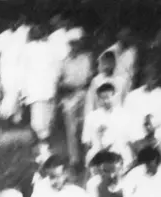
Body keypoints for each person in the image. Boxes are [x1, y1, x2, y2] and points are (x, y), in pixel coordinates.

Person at [124, 62, 161, 163]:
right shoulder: (132, 97)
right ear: (143, 78)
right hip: (138, 138)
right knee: (136, 152)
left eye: (154, 77)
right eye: (148, 77)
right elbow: (127, 121)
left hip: (159, 138)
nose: (151, 80)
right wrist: (134, 140)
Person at [58, 28, 93, 172]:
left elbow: (87, 79)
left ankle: (89, 158)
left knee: (86, 128)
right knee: (71, 130)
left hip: (83, 95)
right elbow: (60, 82)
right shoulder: (64, 61)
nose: (75, 46)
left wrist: (74, 85)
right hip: (69, 98)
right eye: (72, 44)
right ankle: (74, 160)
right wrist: (66, 88)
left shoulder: (86, 58)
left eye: (77, 43)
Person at [21, 25, 60, 155]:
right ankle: (44, 144)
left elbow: (22, 71)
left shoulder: (27, 49)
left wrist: (23, 91)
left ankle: (43, 144)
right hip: (46, 88)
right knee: (46, 118)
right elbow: (57, 70)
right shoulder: (51, 48)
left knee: (39, 118)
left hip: (36, 89)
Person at [82, 81, 133, 172]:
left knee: (123, 160)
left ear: (115, 97)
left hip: (119, 151)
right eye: (102, 98)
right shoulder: (91, 117)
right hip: (98, 153)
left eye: (108, 97)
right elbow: (86, 141)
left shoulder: (125, 115)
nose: (106, 101)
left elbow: (129, 140)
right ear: (98, 99)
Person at [0, 16, 28, 125]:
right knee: (10, 93)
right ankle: (4, 116)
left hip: (20, 69)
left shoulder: (23, 35)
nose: (16, 23)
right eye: (14, 21)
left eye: (18, 21)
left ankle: (17, 119)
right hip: (6, 70)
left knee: (18, 94)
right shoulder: (1, 37)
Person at [84, 51, 125, 120]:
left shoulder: (121, 81)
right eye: (105, 62)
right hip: (100, 117)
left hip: (116, 118)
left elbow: (124, 102)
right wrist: (89, 119)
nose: (108, 65)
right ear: (102, 64)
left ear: (115, 63)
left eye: (110, 62)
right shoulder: (96, 81)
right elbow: (89, 103)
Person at [103, 28, 138, 100]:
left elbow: (135, 70)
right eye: (124, 36)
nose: (126, 38)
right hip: (112, 86)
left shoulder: (133, 51)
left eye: (128, 36)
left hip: (128, 87)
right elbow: (104, 72)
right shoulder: (110, 51)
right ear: (119, 37)